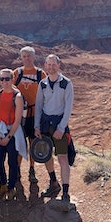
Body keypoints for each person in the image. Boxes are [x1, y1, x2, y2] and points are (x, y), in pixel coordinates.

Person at [34, 54, 74, 205]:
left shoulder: (66, 84)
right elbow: (38, 106)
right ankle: (53, 182)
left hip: (59, 124)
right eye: (48, 64)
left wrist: (61, 128)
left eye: (54, 64)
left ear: (59, 65)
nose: (51, 67)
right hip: (45, 123)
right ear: (45, 65)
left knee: (62, 158)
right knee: (46, 155)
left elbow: (68, 108)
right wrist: (36, 126)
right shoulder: (43, 84)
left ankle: (65, 192)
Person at [12, 46, 47, 185]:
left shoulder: (40, 74)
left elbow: (46, 92)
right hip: (20, 114)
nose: (27, 58)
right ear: (21, 58)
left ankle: (32, 169)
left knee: (33, 142)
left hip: (35, 114)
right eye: (24, 56)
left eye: (29, 56)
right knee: (20, 142)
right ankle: (18, 170)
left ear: (34, 57)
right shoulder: (17, 73)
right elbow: (9, 89)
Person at [0, 68, 26, 201]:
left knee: (12, 162)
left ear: (12, 80)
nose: (4, 82)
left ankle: (11, 187)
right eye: (2, 79)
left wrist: (8, 137)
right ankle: (3, 184)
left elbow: (17, 120)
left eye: (7, 79)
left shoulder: (17, 96)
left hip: (13, 133)